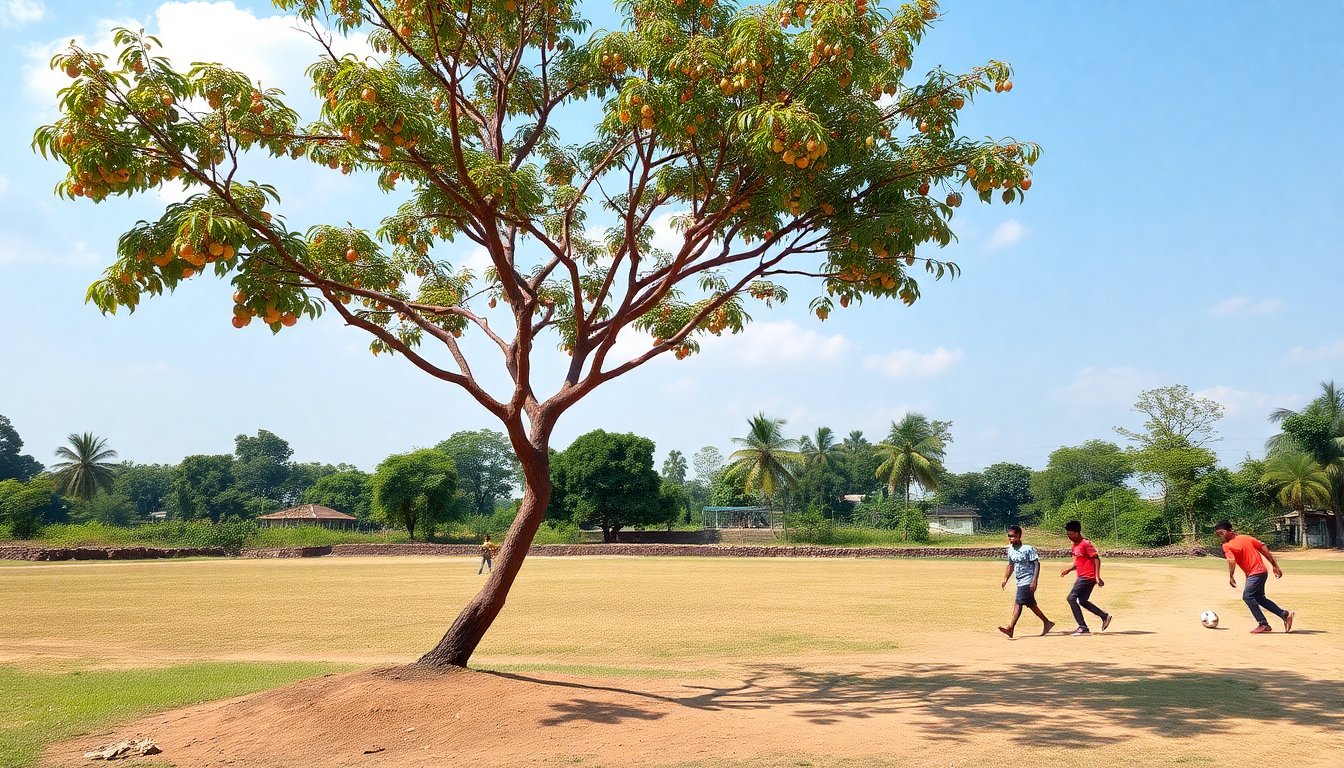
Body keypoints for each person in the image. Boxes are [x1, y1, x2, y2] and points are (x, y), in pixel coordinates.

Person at [1214, 520, 1294, 634]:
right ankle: (1284, 614)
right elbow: (1263, 548)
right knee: (1259, 598)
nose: (1220, 536)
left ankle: (1263, 624)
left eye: (1221, 533)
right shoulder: (1247, 538)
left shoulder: (1227, 546)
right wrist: (1274, 565)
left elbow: (1232, 561)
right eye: (1218, 535)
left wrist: (1231, 576)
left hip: (1255, 573)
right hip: (1261, 572)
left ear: (1230, 530)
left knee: (1247, 597)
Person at [998, 525, 1055, 638]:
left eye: (1013, 536)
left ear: (1019, 536)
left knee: (1018, 602)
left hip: (1028, 579)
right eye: (1009, 536)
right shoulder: (1010, 550)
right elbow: (1010, 565)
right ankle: (1047, 622)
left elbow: (1036, 564)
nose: (1010, 538)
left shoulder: (1027, 549)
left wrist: (1034, 581)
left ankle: (1010, 627)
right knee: (1030, 604)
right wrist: (1005, 579)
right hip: (1019, 580)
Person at [1060, 520, 1112, 636]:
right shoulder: (1075, 546)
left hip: (1088, 576)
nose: (1069, 537)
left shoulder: (1085, 544)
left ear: (1077, 533)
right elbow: (1078, 562)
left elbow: (1096, 558)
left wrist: (1097, 576)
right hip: (1082, 576)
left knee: (1071, 598)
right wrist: (1069, 569)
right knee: (1082, 600)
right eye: (1068, 535)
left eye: (1071, 534)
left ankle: (1082, 627)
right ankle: (1104, 616)